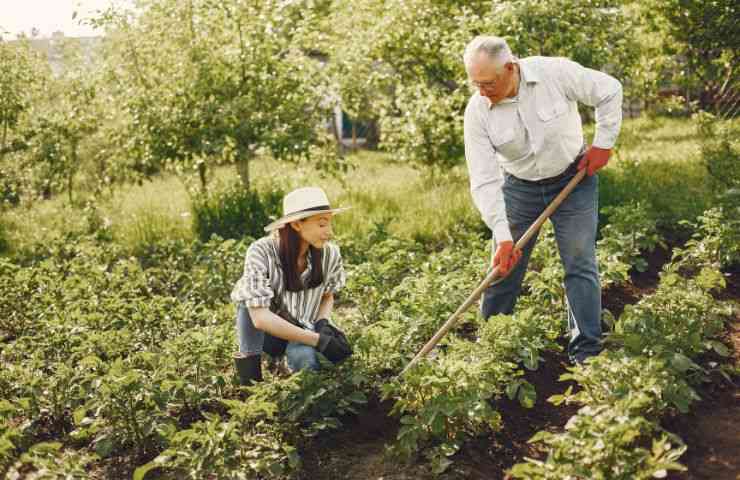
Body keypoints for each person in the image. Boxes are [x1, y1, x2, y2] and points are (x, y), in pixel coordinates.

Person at [462, 36, 623, 364]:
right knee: (503, 267)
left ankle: (587, 352)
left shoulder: (554, 73)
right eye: (474, 83)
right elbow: (484, 179)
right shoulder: (478, 111)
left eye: (488, 83)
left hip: (573, 178)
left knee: (579, 262)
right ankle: (491, 349)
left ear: (510, 68)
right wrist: (504, 236)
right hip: (519, 188)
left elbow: (609, 89)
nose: (481, 91)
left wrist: (603, 144)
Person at [230, 186, 353, 386]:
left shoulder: (330, 254)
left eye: (330, 223)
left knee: (305, 362)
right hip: (269, 333)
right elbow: (260, 319)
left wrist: (322, 323)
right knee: (247, 302)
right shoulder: (261, 251)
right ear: (296, 224)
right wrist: (318, 340)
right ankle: (249, 384)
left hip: (305, 328)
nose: (329, 232)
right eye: (322, 224)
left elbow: (327, 295)